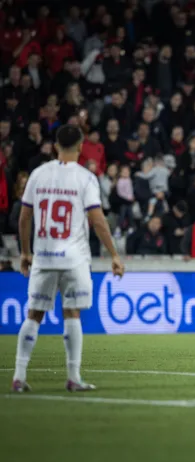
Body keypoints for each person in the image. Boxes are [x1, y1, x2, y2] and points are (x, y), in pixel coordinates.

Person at [12, 125, 125, 393]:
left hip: (44, 256)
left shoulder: (38, 174)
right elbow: (97, 219)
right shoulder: (85, 178)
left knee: (34, 314)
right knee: (72, 313)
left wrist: (26, 252)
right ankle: (73, 376)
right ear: (81, 146)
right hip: (74, 258)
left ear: (55, 146)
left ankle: (18, 376)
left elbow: (24, 217)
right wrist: (114, 254)